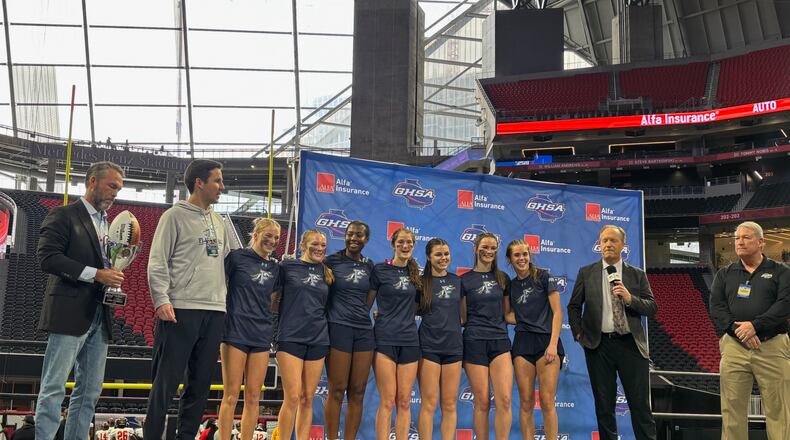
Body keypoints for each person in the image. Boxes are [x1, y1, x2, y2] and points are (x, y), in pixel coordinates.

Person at [35, 161, 125, 440]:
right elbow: (47, 258)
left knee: (89, 391)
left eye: (119, 189)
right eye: (112, 186)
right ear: (92, 182)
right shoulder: (63, 215)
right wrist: (96, 274)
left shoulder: (107, 224)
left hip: (100, 313)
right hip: (69, 312)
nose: (115, 193)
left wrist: (109, 274)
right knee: (53, 387)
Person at [145, 159, 230, 439]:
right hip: (181, 308)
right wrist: (161, 299)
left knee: (200, 384)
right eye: (217, 180)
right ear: (199, 183)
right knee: (166, 384)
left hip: (215, 310)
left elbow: (227, 263)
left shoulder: (218, 220)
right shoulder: (173, 216)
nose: (222, 186)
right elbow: (157, 261)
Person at [567, 225, 658, 440]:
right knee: (604, 406)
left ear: (623, 245)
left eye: (613, 241)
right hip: (599, 347)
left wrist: (630, 299)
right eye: (604, 241)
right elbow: (573, 306)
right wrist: (579, 333)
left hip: (631, 346)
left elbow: (652, 307)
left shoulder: (636, 274)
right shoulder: (586, 272)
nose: (608, 244)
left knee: (640, 406)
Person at [710, 221, 790, 440]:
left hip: (773, 346)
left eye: (746, 237)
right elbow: (716, 307)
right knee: (732, 410)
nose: (740, 242)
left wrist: (755, 326)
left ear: (761, 242)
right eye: (737, 238)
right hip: (735, 347)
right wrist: (739, 332)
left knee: (780, 410)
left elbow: (785, 304)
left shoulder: (781, 271)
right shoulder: (725, 274)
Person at [219, 218, 281, 440]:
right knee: (231, 395)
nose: (272, 241)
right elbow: (216, 283)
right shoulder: (236, 258)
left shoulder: (276, 268)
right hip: (235, 331)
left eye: (276, 237)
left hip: (261, 334)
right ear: (255, 235)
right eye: (268, 235)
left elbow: (273, 300)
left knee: (254, 397)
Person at [274, 230, 332, 440]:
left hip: (318, 339)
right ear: (303, 245)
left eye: (323, 244)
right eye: (315, 243)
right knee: (292, 397)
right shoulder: (286, 267)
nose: (319, 248)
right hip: (290, 337)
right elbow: (273, 300)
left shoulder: (327, 271)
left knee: (308, 398)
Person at [504, 239, 564, 440]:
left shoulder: (544, 277)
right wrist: (525, 318)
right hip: (522, 343)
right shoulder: (511, 286)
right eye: (517, 255)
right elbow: (507, 316)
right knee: (526, 402)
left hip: (547, 342)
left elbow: (557, 312)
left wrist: (553, 344)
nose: (522, 259)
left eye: (525, 254)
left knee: (547, 401)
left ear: (530, 256)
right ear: (510, 259)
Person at [323, 221, 375, 440]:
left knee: (358, 391)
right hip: (338, 328)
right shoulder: (331, 261)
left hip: (363, 331)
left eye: (359, 235)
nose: (354, 238)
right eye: (350, 234)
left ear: (366, 240)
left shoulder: (370, 265)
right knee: (337, 388)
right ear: (344, 236)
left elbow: (369, 300)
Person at [369, 227, 422, 440]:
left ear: (413, 245)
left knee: (404, 401)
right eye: (400, 242)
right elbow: (367, 303)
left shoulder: (416, 274)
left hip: (409, 340)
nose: (405, 246)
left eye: (409, 242)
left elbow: (418, 306)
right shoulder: (380, 270)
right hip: (384, 339)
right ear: (393, 245)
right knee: (387, 400)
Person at [461, 232, 512, 440]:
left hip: (500, 341)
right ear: (475, 249)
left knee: (505, 400)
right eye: (484, 247)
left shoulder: (503, 278)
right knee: (482, 402)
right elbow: (462, 318)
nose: (489, 251)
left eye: (493, 248)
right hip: (474, 341)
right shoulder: (464, 280)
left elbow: (508, 314)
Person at [416, 238, 463, 440]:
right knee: (429, 403)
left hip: (453, 347)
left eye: (446, 254)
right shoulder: (419, 282)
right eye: (438, 254)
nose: (443, 258)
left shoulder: (457, 281)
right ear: (428, 257)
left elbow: (465, 316)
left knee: (450, 404)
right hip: (428, 346)